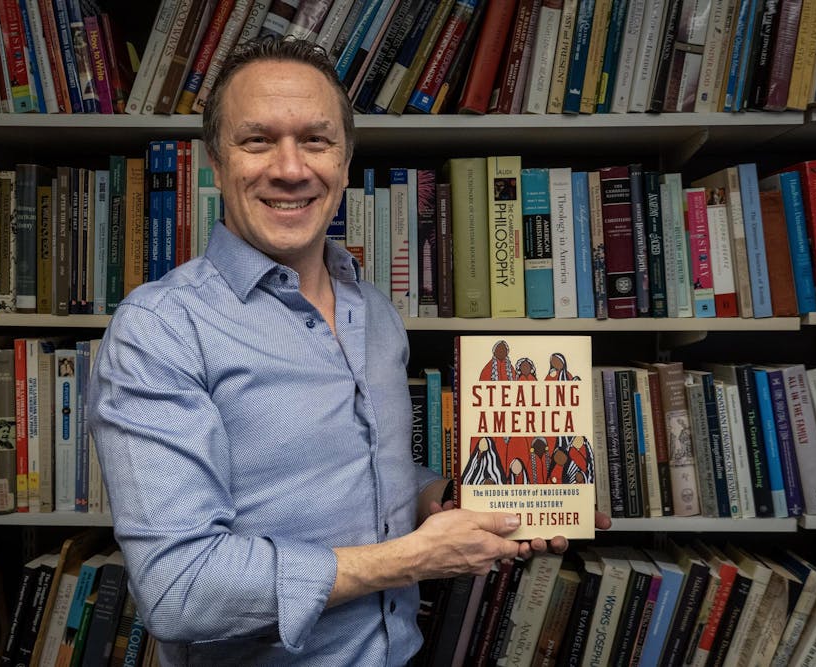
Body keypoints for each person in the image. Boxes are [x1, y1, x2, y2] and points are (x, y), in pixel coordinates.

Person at [89, 37, 608, 666]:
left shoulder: (378, 314)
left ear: (345, 156)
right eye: (257, 140)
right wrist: (418, 558)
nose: (290, 168)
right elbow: (181, 591)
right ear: (216, 162)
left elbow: (367, 478)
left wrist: (453, 500)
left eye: (316, 139)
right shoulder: (161, 328)